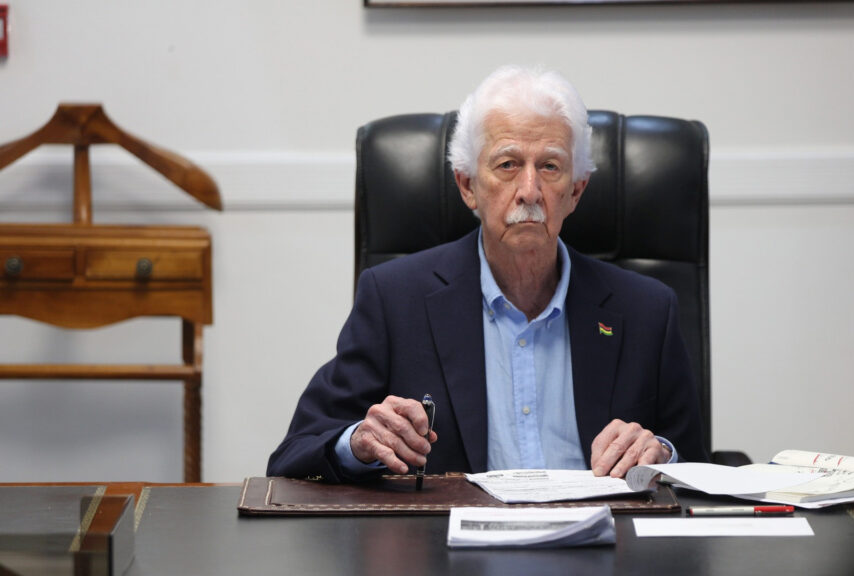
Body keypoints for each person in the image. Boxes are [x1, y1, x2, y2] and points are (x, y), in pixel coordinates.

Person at [267, 65, 706, 483]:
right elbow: (295, 453)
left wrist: (662, 454)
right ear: (467, 185)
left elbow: (698, 464)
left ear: (576, 190)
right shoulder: (394, 300)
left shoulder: (647, 309)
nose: (530, 191)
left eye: (550, 166)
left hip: (602, 534)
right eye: (507, 165)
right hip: (451, 535)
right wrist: (360, 443)